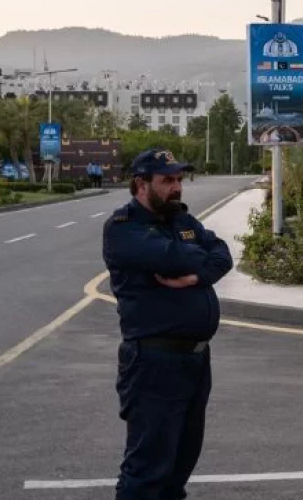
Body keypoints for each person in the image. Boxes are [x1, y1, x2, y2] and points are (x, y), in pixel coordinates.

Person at [102, 148, 234, 500]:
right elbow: (175, 257)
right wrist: (200, 259)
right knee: (148, 469)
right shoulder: (123, 228)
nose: (177, 187)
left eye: (179, 179)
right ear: (141, 183)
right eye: (167, 180)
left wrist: (197, 277)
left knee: (179, 465)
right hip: (154, 363)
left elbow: (222, 254)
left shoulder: (180, 220)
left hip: (194, 361)